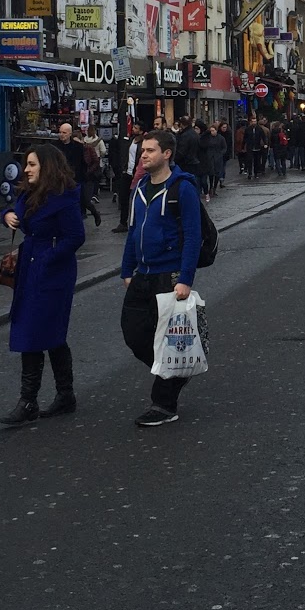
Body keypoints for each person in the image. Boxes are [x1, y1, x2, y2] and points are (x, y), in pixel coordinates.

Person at [120, 129, 204, 427]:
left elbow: (194, 236)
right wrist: (126, 269)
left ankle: (164, 403)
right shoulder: (141, 187)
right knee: (134, 335)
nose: (143, 155)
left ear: (166, 154)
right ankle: (175, 372)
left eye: (150, 150)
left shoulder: (183, 188)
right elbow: (133, 231)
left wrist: (185, 277)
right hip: (141, 275)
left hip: (168, 276)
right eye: (143, 150)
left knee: (170, 341)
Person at [0, 146, 86, 425]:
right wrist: (7, 216)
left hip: (52, 273)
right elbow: (17, 212)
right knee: (39, 331)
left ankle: (29, 401)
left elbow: (75, 237)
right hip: (29, 268)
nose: (26, 169)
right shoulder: (30, 192)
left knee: (41, 331)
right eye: (27, 164)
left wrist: (49, 257)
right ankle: (64, 395)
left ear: (46, 166)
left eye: (32, 164)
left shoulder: (64, 199)